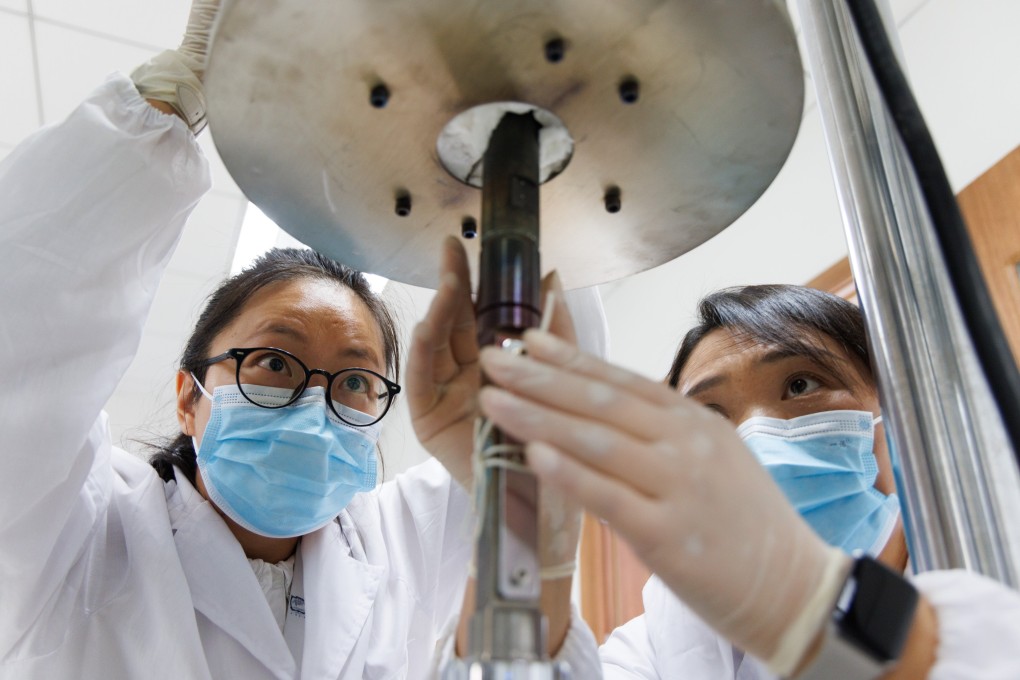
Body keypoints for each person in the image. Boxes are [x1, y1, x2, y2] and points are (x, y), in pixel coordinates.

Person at [0, 2, 600, 677]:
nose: (313, 406)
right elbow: (21, 329)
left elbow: (558, 411)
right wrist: (162, 110)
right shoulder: (76, 532)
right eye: (275, 363)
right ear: (188, 398)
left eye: (354, 381)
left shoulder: (403, 542)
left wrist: (523, 181)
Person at [474, 283, 1020, 678]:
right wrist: (526, 538)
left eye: (801, 383)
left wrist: (808, 611)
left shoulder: (990, 554)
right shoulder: (662, 636)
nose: (757, 435)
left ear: (894, 413)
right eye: (711, 417)